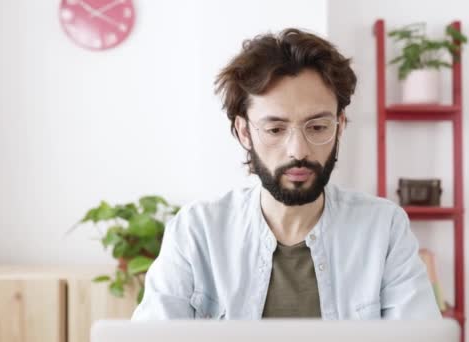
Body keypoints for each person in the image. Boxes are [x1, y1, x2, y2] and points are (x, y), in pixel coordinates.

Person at [132, 28, 441, 320]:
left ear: (340, 125)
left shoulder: (383, 229)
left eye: (317, 127)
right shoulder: (196, 232)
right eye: (275, 129)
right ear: (243, 131)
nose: (298, 151)